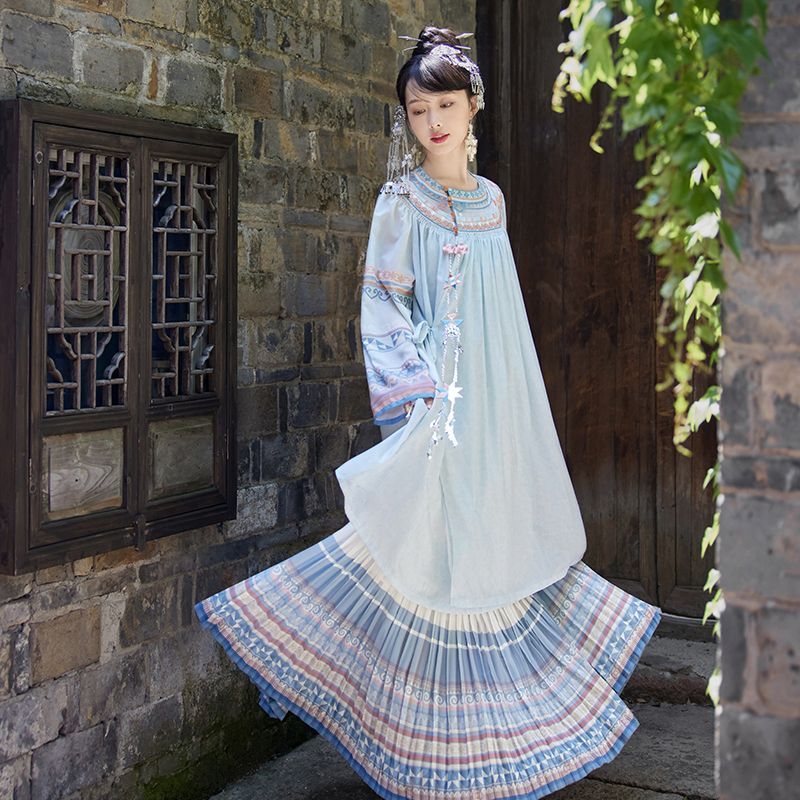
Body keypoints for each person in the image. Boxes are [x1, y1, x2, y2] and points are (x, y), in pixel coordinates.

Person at [195, 25, 663, 799]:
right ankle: (425, 747)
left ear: (472, 104)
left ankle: (492, 746)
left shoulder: (492, 201)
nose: (433, 122)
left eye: (445, 105)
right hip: (432, 406)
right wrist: (415, 398)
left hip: (493, 404)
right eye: (418, 110)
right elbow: (382, 307)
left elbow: (503, 313)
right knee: (428, 552)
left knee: (491, 546)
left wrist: (511, 411)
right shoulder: (399, 202)